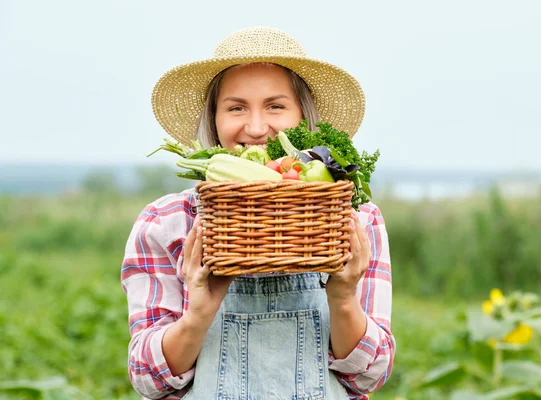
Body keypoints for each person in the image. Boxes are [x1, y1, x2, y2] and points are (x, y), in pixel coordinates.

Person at [121, 27, 395, 399]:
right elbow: (147, 380)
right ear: (214, 119)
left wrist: (344, 297)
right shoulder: (166, 222)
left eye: (275, 106)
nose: (255, 127)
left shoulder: (354, 219)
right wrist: (198, 313)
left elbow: (370, 376)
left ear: (302, 119)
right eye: (236, 107)